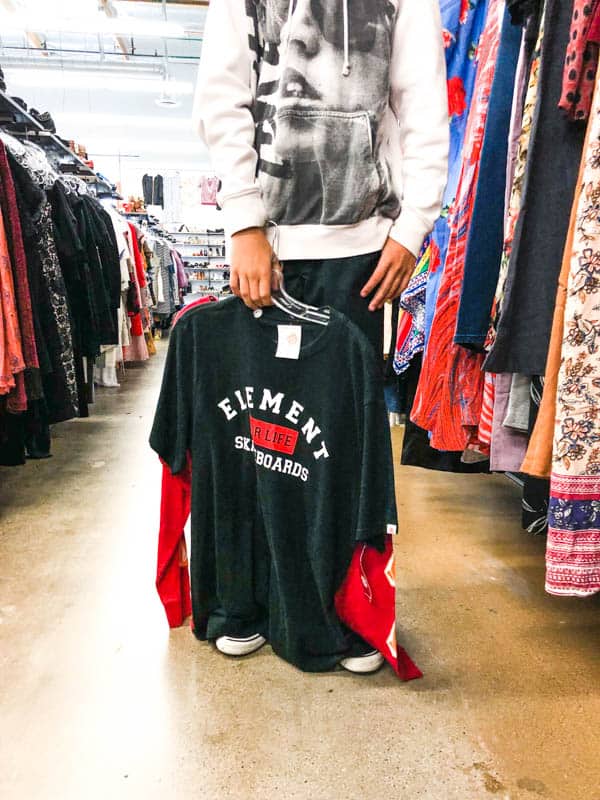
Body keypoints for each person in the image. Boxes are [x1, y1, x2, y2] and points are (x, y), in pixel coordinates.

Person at [194, 0, 449, 671]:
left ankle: (347, 605)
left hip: (363, 245)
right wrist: (243, 222)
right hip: (267, 243)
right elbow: (225, 93)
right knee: (255, 435)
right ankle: (244, 599)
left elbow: (421, 103)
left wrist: (413, 226)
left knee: (341, 443)